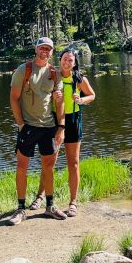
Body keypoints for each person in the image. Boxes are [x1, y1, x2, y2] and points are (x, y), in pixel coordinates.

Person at [29, 46, 95, 218]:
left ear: (74, 63)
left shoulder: (79, 79)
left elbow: (92, 95)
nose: (67, 62)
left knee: (73, 163)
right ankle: (40, 196)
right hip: (54, 122)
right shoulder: (52, 76)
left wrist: (81, 100)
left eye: (70, 60)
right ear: (60, 60)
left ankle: (73, 202)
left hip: (73, 121)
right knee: (49, 162)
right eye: (65, 59)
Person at [8, 36, 67, 225]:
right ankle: (20, 209)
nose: (45, 51)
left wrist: (61, 127)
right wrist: (21, 124)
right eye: (42, 47)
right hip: (28, 127)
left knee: (48, 167)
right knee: (21, 167)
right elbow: (13, 98)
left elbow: (59, 102)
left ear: (52, 52)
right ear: (36, 49)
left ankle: (50, 205)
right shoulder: (23, 70)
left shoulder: (54, 73)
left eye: (48, 49)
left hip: (48, 127)